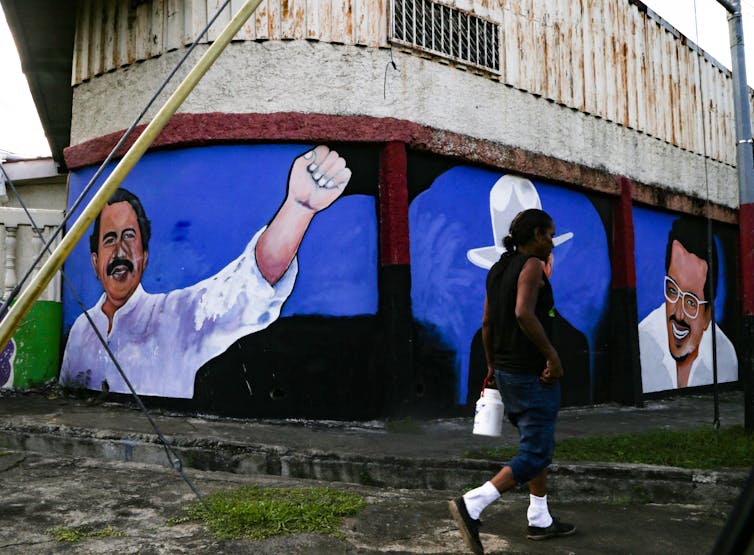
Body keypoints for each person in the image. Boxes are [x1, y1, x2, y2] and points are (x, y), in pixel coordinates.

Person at [60, 145, 351, 398]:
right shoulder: (80, 333)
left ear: (145, 257)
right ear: (95, 262)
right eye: (110, 240)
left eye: (129, 237)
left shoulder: (175, 318)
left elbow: (243, 287)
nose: (120, 252)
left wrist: (297, 208)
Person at [448, 208, 575, 554]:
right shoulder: (532, 266)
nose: (551, 242)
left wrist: (491, 365)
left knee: (533, 442)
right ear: (535, 235)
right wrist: (552, 356)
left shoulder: (497, 269)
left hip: (506, 371)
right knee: (537, 451)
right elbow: (523, 312)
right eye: (548, 234)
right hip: (532, 373)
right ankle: (472, 504)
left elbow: (487, 322)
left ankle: (540, 518)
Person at [639, 217, 738, 393]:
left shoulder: (725, 356)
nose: (678, 314)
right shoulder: (644, 342)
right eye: (672, 291)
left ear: (708, 314)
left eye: (691, 302)